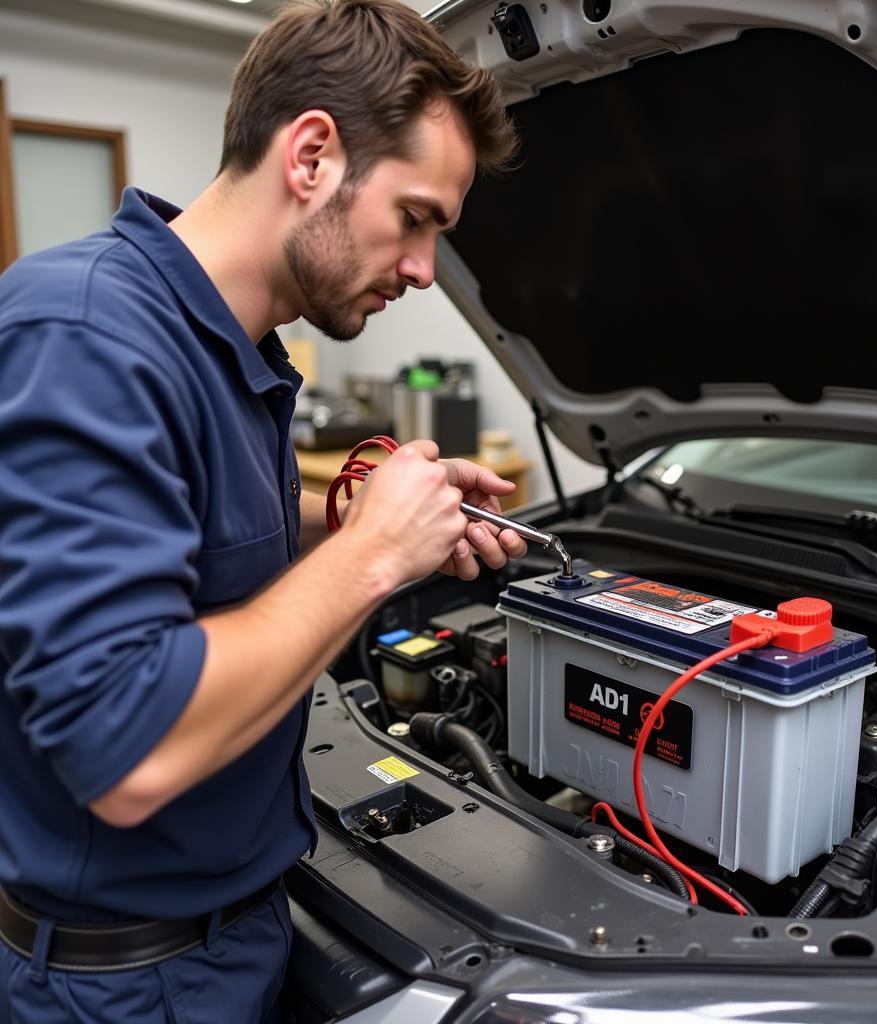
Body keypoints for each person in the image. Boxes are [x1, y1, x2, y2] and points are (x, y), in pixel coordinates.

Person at [0, 0, 522, 1019]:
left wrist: (358, 519)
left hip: (239, 928)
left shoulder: (225, 351)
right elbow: (126, 745)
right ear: (313, 154)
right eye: (415, 217)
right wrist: (370, 554)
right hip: (129, 984)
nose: (422, 268)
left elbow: (195, 538)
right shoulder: (87, 333)